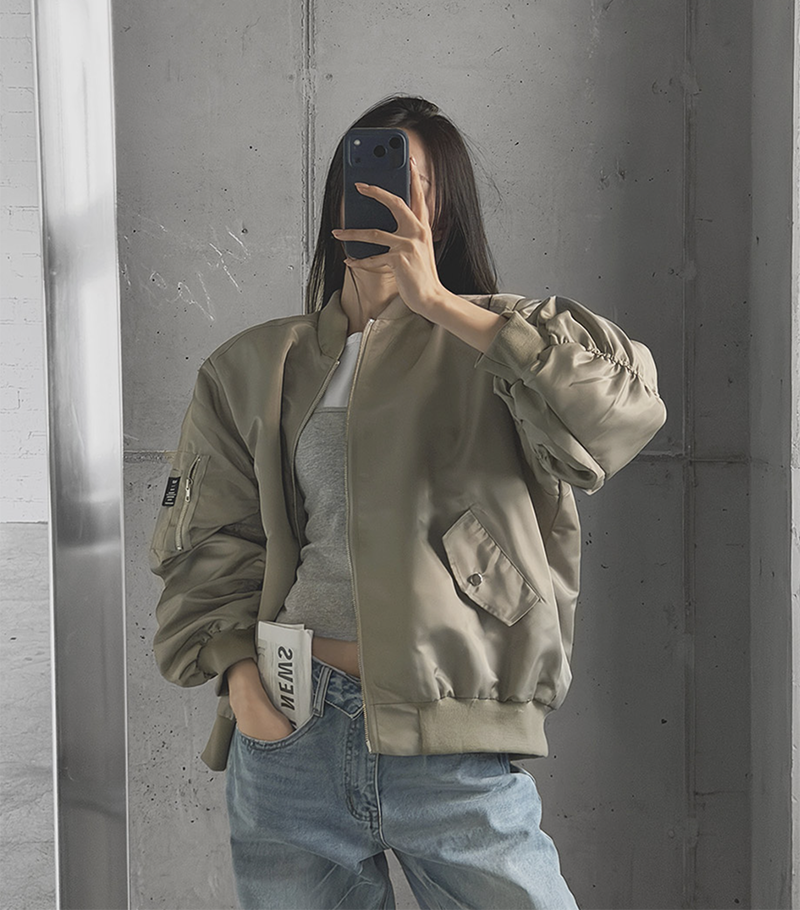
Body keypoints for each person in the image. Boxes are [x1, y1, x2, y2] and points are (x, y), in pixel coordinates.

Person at [149, 94, 667, 910]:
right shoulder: (253, 367)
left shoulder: (503, 341)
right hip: (291, 734)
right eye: (361, 180)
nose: (378, 198)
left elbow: (622, 414)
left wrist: (440, 306)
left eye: (407, 183)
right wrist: (245, 687)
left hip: (453, 742)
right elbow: (211, 546)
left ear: (443, 209)